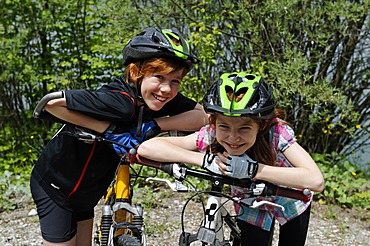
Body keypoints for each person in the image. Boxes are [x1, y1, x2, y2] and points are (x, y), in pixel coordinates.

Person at [30, 27, 208, 246]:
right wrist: (109, 130)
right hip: (57, 186)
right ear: (136, 73)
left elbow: (204, 116)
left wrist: (156, 125)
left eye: (175, 81)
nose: (166, 89)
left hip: (86, 192)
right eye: (159, 77)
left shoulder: (159, 99)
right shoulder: (120, 101)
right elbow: (49, 105)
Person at [137, 71, 325, 246]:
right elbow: (147, 148)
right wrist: (204, 160)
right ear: (214, 123)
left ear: (260, 125)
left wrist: (254, 169)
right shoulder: (213, 133)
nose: (233, 137)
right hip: (250, 201)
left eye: (244, 128)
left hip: (290, 197)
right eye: (224, 127)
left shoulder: (276, 133)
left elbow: (315, 181)